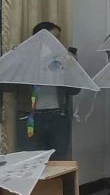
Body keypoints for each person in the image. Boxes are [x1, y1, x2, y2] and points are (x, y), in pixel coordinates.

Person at [14, 21, 75, 159]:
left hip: (58, 117)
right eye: (53, 38)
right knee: (30, 161)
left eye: (59, 39)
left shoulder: (62, 60)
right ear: (38, 38)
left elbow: (74, 91)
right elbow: (8, 88)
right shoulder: (24, 58)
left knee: (58, 161)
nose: (57, 43)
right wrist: (15, 61)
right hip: (30, 118)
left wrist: (73, 69)